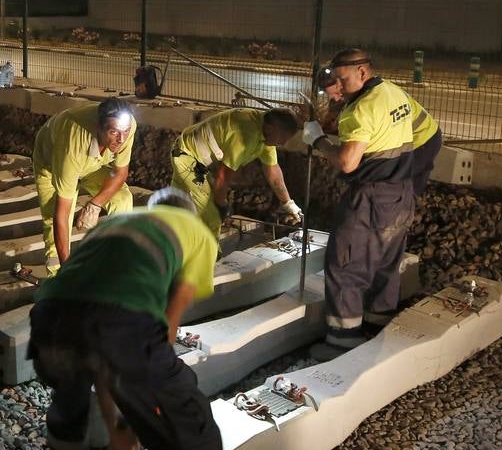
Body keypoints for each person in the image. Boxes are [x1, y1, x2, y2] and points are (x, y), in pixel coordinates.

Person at [29, 187, 223, 450]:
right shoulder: (196, 231)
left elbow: (101, 356)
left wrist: (116, 427)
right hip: (119, 322)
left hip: (49, 318)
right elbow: (164, 326)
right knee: (194, 433)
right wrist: (143, 406)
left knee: (71, 397)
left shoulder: (113, 224)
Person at [303, 49, 418, 353]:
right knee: (386, 261)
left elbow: (347, 162)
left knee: (345, 263)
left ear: (362, 73)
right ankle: (378, 325)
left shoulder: (360, 111)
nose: (336, 88)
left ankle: (342, 341)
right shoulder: (394, 93)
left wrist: (318, 141)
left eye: (341, 81)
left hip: (370, 195)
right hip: (402, 192)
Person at [32, 98, 136, 275]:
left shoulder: (127, 124)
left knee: (123, 199)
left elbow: (120, 172)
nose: (121, 139)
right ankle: (58, 279)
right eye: (114, 133)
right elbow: (62, 215)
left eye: (125, 132)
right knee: (52, 220)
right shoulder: (72, 143)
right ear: (99, 127)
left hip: (93, 165)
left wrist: (95, 205)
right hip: (51, 166)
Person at [170, 107, 303, 236]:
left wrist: (288, 204)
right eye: (283, 138)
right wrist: (221, 204)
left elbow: (273, 174)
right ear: (270, 128)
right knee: (211, 214)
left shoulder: (265, 134)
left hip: (190, 152)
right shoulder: (246, 134)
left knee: (178, 206)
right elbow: (223, 176)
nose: (284, 143)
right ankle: (208, 254)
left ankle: (167, 242)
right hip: (187, 156)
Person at [316, 66, 443, 198]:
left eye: (338, 93)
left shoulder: (368, 103)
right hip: (423, 135)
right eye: (331, 96)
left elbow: (348, 162)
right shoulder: (372, 89)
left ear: (344, 83)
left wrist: (319, 140)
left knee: (397, 193)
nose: (336, 99)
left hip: (422, 140)